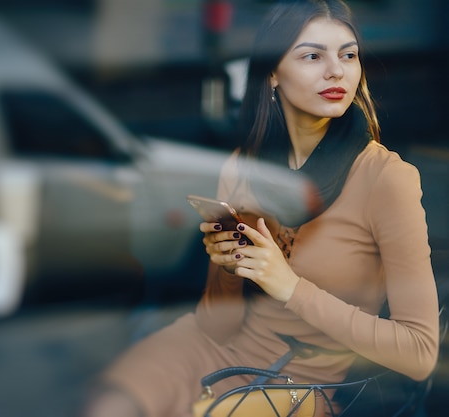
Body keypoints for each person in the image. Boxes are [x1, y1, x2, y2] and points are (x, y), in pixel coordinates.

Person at [82, 1, 440, 416]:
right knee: (109, 406)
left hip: (298, 380)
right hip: (214, 348)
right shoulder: (244, 165)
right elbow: (216, 325)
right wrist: (231, 272)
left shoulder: (386, 178)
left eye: (348, 55)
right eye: (312, 56)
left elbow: (420, 354)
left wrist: (289, 287)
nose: (336, 71)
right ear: (272, 72)